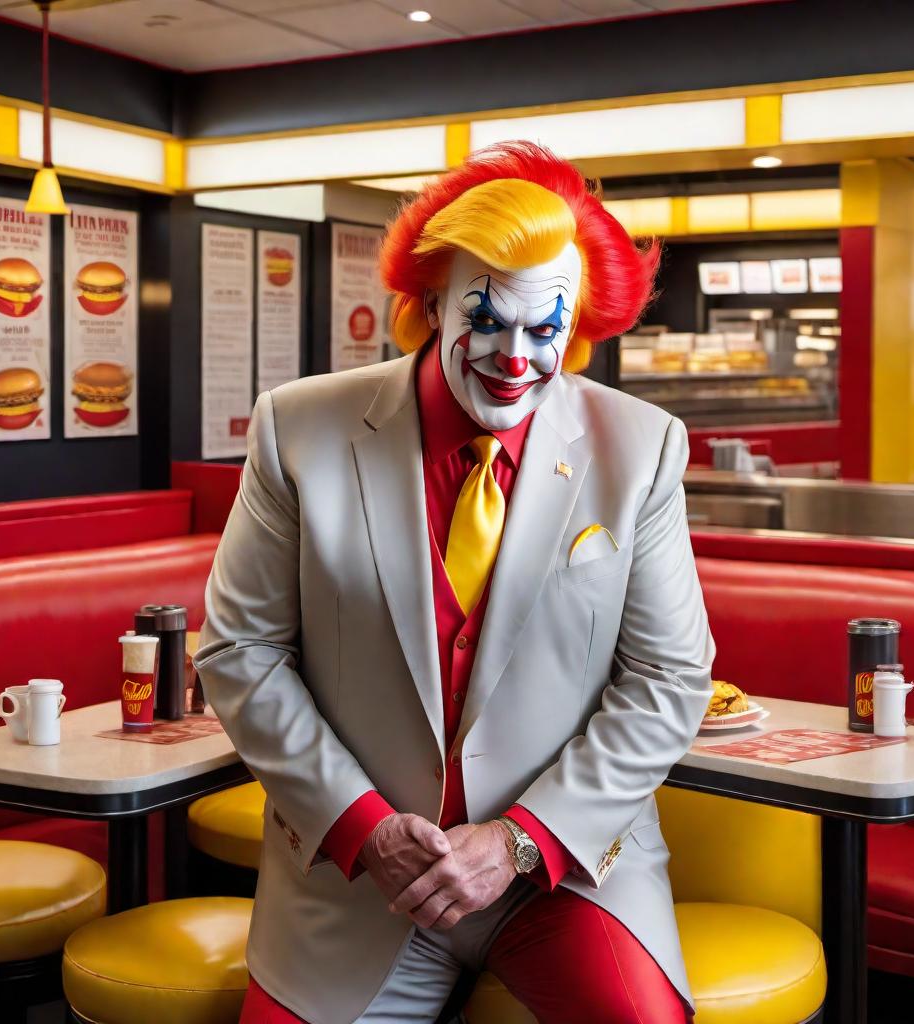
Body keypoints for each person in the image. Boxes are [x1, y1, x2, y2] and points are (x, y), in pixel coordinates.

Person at [195, 141, 715, 1024]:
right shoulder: (300, 429)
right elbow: (240, 653)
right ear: (430, 301)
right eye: (487, 319)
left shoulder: (643, 448)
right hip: (358, 883)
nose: (516, 356)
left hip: (564, 876)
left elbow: (669, 679)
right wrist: (364, 827)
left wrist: (519, 842)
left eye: (545, 328)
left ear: (577, 327)